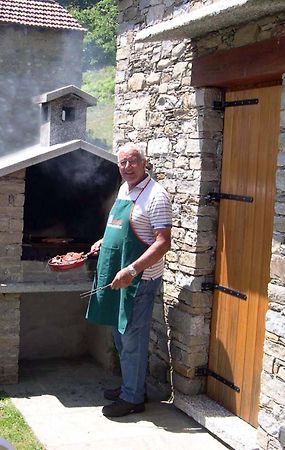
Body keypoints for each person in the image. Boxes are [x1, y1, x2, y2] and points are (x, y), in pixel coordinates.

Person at [86, 143, 172, 418]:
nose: (127, 167)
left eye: (133, 161)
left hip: (139, 280)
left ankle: (133, 398)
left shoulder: (156, 196)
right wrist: (103, 240)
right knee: (120, 335)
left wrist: (132, 271)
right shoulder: (125, 189)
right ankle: (130, 386)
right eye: (122, 163)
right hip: (118, 276)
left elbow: (162, 243)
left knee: (132, 338)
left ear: (144, 162)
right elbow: (121, 226)